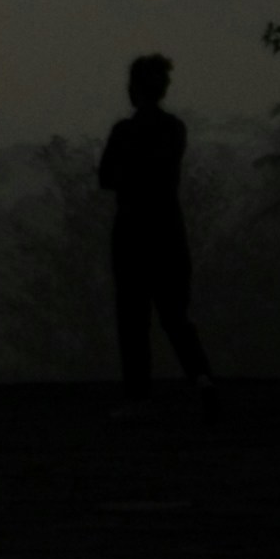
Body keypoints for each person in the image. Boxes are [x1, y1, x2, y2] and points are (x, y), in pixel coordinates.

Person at [99, 52, 214, 406]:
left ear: (134, 88)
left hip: (133, 234)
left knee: (133, 322)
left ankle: (138, 397)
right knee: (175, 316)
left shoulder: (124, 132)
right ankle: (203, 380)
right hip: (167, 232)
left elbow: (107, 178)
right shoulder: (174, 129)